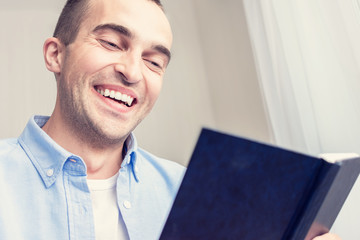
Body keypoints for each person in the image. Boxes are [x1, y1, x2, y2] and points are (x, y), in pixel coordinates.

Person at [0, 0, 342, 239]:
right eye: (110, 42)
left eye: (154, 62)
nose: (132, 71)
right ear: (55, 54)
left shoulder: (194, 193)